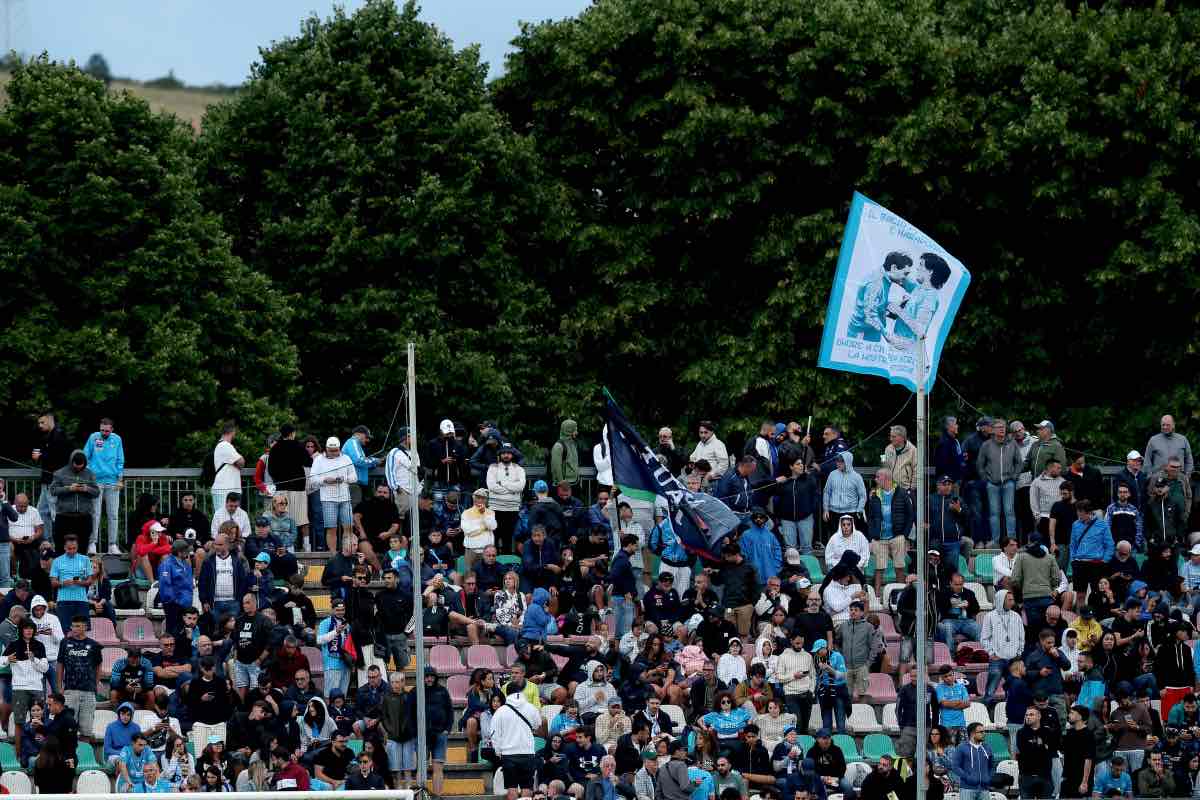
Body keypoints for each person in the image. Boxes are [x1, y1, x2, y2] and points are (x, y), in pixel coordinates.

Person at [492, 678, 542, 799]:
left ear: (507, 693)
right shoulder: (531, 708)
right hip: (527, 753)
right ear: (521, 692)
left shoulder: (501, 711)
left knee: (512, 788)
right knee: (527, 787)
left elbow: (494, 734)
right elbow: (537, 725)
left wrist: (498, 751)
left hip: (509, 754)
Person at [865, 468, 911, 596]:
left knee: (899, 567)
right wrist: (872, 534)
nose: (875, 480)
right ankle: (877, 596)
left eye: (878, 477)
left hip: (897, 536)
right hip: (879, 537)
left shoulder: (901, 493)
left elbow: (910, 514)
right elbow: (870, 516)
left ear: (886, 478)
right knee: (879, 568)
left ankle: (901, 594)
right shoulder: (875, 495)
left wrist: (904, 535)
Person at [83, 417, 124, 555]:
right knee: (95, 513)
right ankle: (92, 543)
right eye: (102, 430)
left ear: (112, 430)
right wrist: (89, 474)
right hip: (96, 481)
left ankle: (113, 544)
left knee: (113, 514)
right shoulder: (93, 437)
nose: (104, 433)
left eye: (107, 431)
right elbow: (85, 456)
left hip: (112, 481)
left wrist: (120, 478)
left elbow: (120, 459)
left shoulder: (117, 439)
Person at [978, 418, 1022, 544]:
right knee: (994, 513)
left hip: (1008, 483)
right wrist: (985, 479)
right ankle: (995, 541)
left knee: (1009, 512)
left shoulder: (1012, 443)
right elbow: (980, 464)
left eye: (1003, 427)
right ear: (992, 430)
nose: (1002, 429)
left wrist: (1014, 476)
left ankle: (1011, 540)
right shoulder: (986, 445)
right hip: (992, 483)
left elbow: (1019, 462)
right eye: (999, 427)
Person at [310, 437, 356, 553]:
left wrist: (344, 479)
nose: (334, 453)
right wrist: (325, 480)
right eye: (331, 450)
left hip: (345, 498)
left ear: (339, 448)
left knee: (349, 527)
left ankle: (347, 553)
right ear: (326, 448)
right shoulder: (319, 460)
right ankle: (333, 555)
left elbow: (354, 477)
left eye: (336, 450)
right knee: (331, 528)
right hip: (328, 499)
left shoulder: (346, 458)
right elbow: (312, 479)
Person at [49, 451, 99, 553]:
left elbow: (97, 492)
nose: (78, 469)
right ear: (71, 462)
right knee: (60, 546)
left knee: (83, 546)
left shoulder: (90, 474)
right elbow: (53, 490)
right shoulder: (60, 473)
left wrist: (86, 489)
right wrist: (69, 488)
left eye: (81, 467)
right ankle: (61, 562)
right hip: (64, 515)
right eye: (76, 467)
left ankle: (81, 563)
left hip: (84, 516)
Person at [980, 589, 1023, 700]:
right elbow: (984, 638)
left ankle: (1009, 709)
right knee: (990, 690)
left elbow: (1021, 637)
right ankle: (986, 709)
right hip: (997, 659)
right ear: (1001, 600)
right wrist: (991, 653)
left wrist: (1019, 652)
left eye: (1013, 600)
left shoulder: (1016, 616)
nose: (1012, 602)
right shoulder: (990, 616)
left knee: (1013, 690)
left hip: (1013, 659)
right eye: (1009, 600)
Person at [1070, 500, 1113, 607]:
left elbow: (1110, 545)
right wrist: (1073, 560)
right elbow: (1073, 545)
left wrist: (1104, 561)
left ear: (1089, 512)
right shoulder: (1075, 524)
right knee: (1080, 595)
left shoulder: (1102, 524)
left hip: (1097, 563)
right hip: (1079, 563)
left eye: (1081, 513)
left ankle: (1096, 616)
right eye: (1078, 512)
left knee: (1097, 594)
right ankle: (1080, 616)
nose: (1078, 515)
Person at [822, 453, 866, 540]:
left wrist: (859, 510)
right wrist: (826, 509)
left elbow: (863, 496)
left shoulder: (857, 477)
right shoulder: (832, 474)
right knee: (835, 539)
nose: (838, 463)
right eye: (837, 461)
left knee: (850, 540)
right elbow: (826, 492)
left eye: (841, 461)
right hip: (834, 513)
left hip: (850, 513)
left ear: (847, 462)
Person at [1015, 707, 1054, 799]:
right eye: (1026, 715)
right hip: (1026, 776)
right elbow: (1025, 751)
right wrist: (1042, 746)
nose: (1028, 717)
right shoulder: (1021, 733)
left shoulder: (1048, 732)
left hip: (1045, 776)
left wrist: (1033, 746)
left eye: (1031, 715)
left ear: (1039, 716)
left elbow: (1051, 751)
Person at [949, 722, 994, 800]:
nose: (984, 734)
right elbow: (955, 766)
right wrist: (967, 777)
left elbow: (991, 766)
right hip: (967, 789)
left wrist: (988, 778)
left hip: (984, 789)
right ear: (972, 733)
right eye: (981, 732)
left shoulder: (987, 748)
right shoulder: (961, 747)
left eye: (984, 731)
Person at [1059, 705, 1095, 799]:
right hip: (1068, 778)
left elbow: (1088, 759)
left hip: (1080, 778)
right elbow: (1064, 753)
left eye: (1072, 713)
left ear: (1080, 716)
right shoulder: (1069, 732)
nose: (1069, 715)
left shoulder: (1088, 734)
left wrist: (1084, 782)